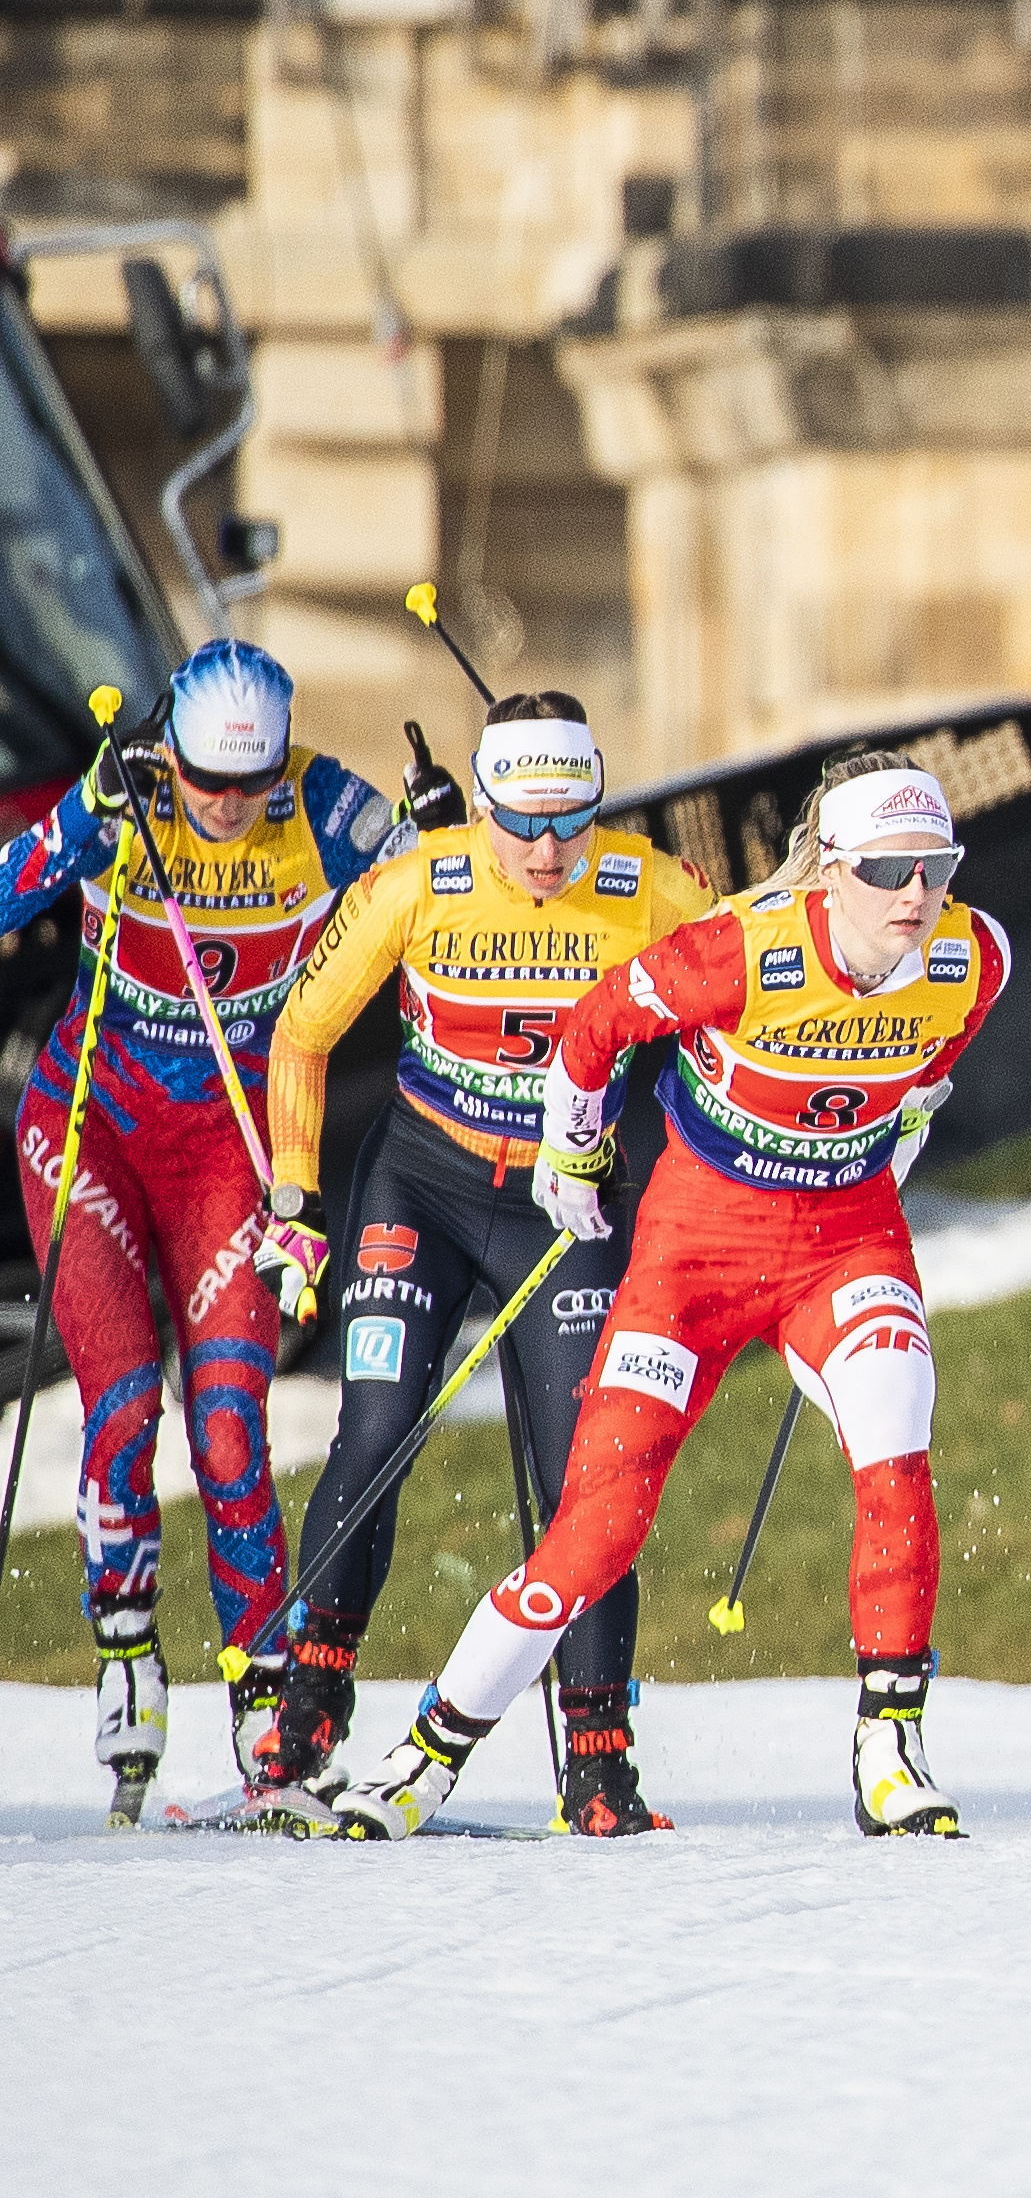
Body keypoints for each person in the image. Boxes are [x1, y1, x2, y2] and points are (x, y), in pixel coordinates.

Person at [330, 754, 1009, 1840]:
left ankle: (890, 1742)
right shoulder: (744, 950)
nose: (916, 895)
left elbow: (942, 1050)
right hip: (694, 1255)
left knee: (897, 1444)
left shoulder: (972, 955)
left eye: (935, 866)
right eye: (888, 869)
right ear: (832, 868)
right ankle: (427, 1754)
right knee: (597, 1527)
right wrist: (575, 1148)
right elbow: (595, 1026)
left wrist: (908, 1117)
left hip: (845, 1242)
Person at [251, 694, 717, 1835]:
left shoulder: (651, 888)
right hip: (426, 1182)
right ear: (485, 799)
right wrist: (298, 1196)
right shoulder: (424, 882)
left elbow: (751, 1004)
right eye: (521, 823)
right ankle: (309, 1701)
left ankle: (599, 1754)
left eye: (573, 820)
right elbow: (303, 1031)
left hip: (565, 1211)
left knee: (587, 1478)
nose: (550, 850)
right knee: (375, 1426)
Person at [0, 641, 403, 1816]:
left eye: (250, 782)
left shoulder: (326, 805)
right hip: (95, 1130)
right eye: (203, 781)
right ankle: (127, 1650)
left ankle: (262, 1697)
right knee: (123, 1404)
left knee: (229, 1426)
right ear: (169, 749)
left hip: (232, 1144)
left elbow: (449, 892)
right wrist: (82, 819)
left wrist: (441, 826)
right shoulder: (124, 792)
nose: (225, 808)